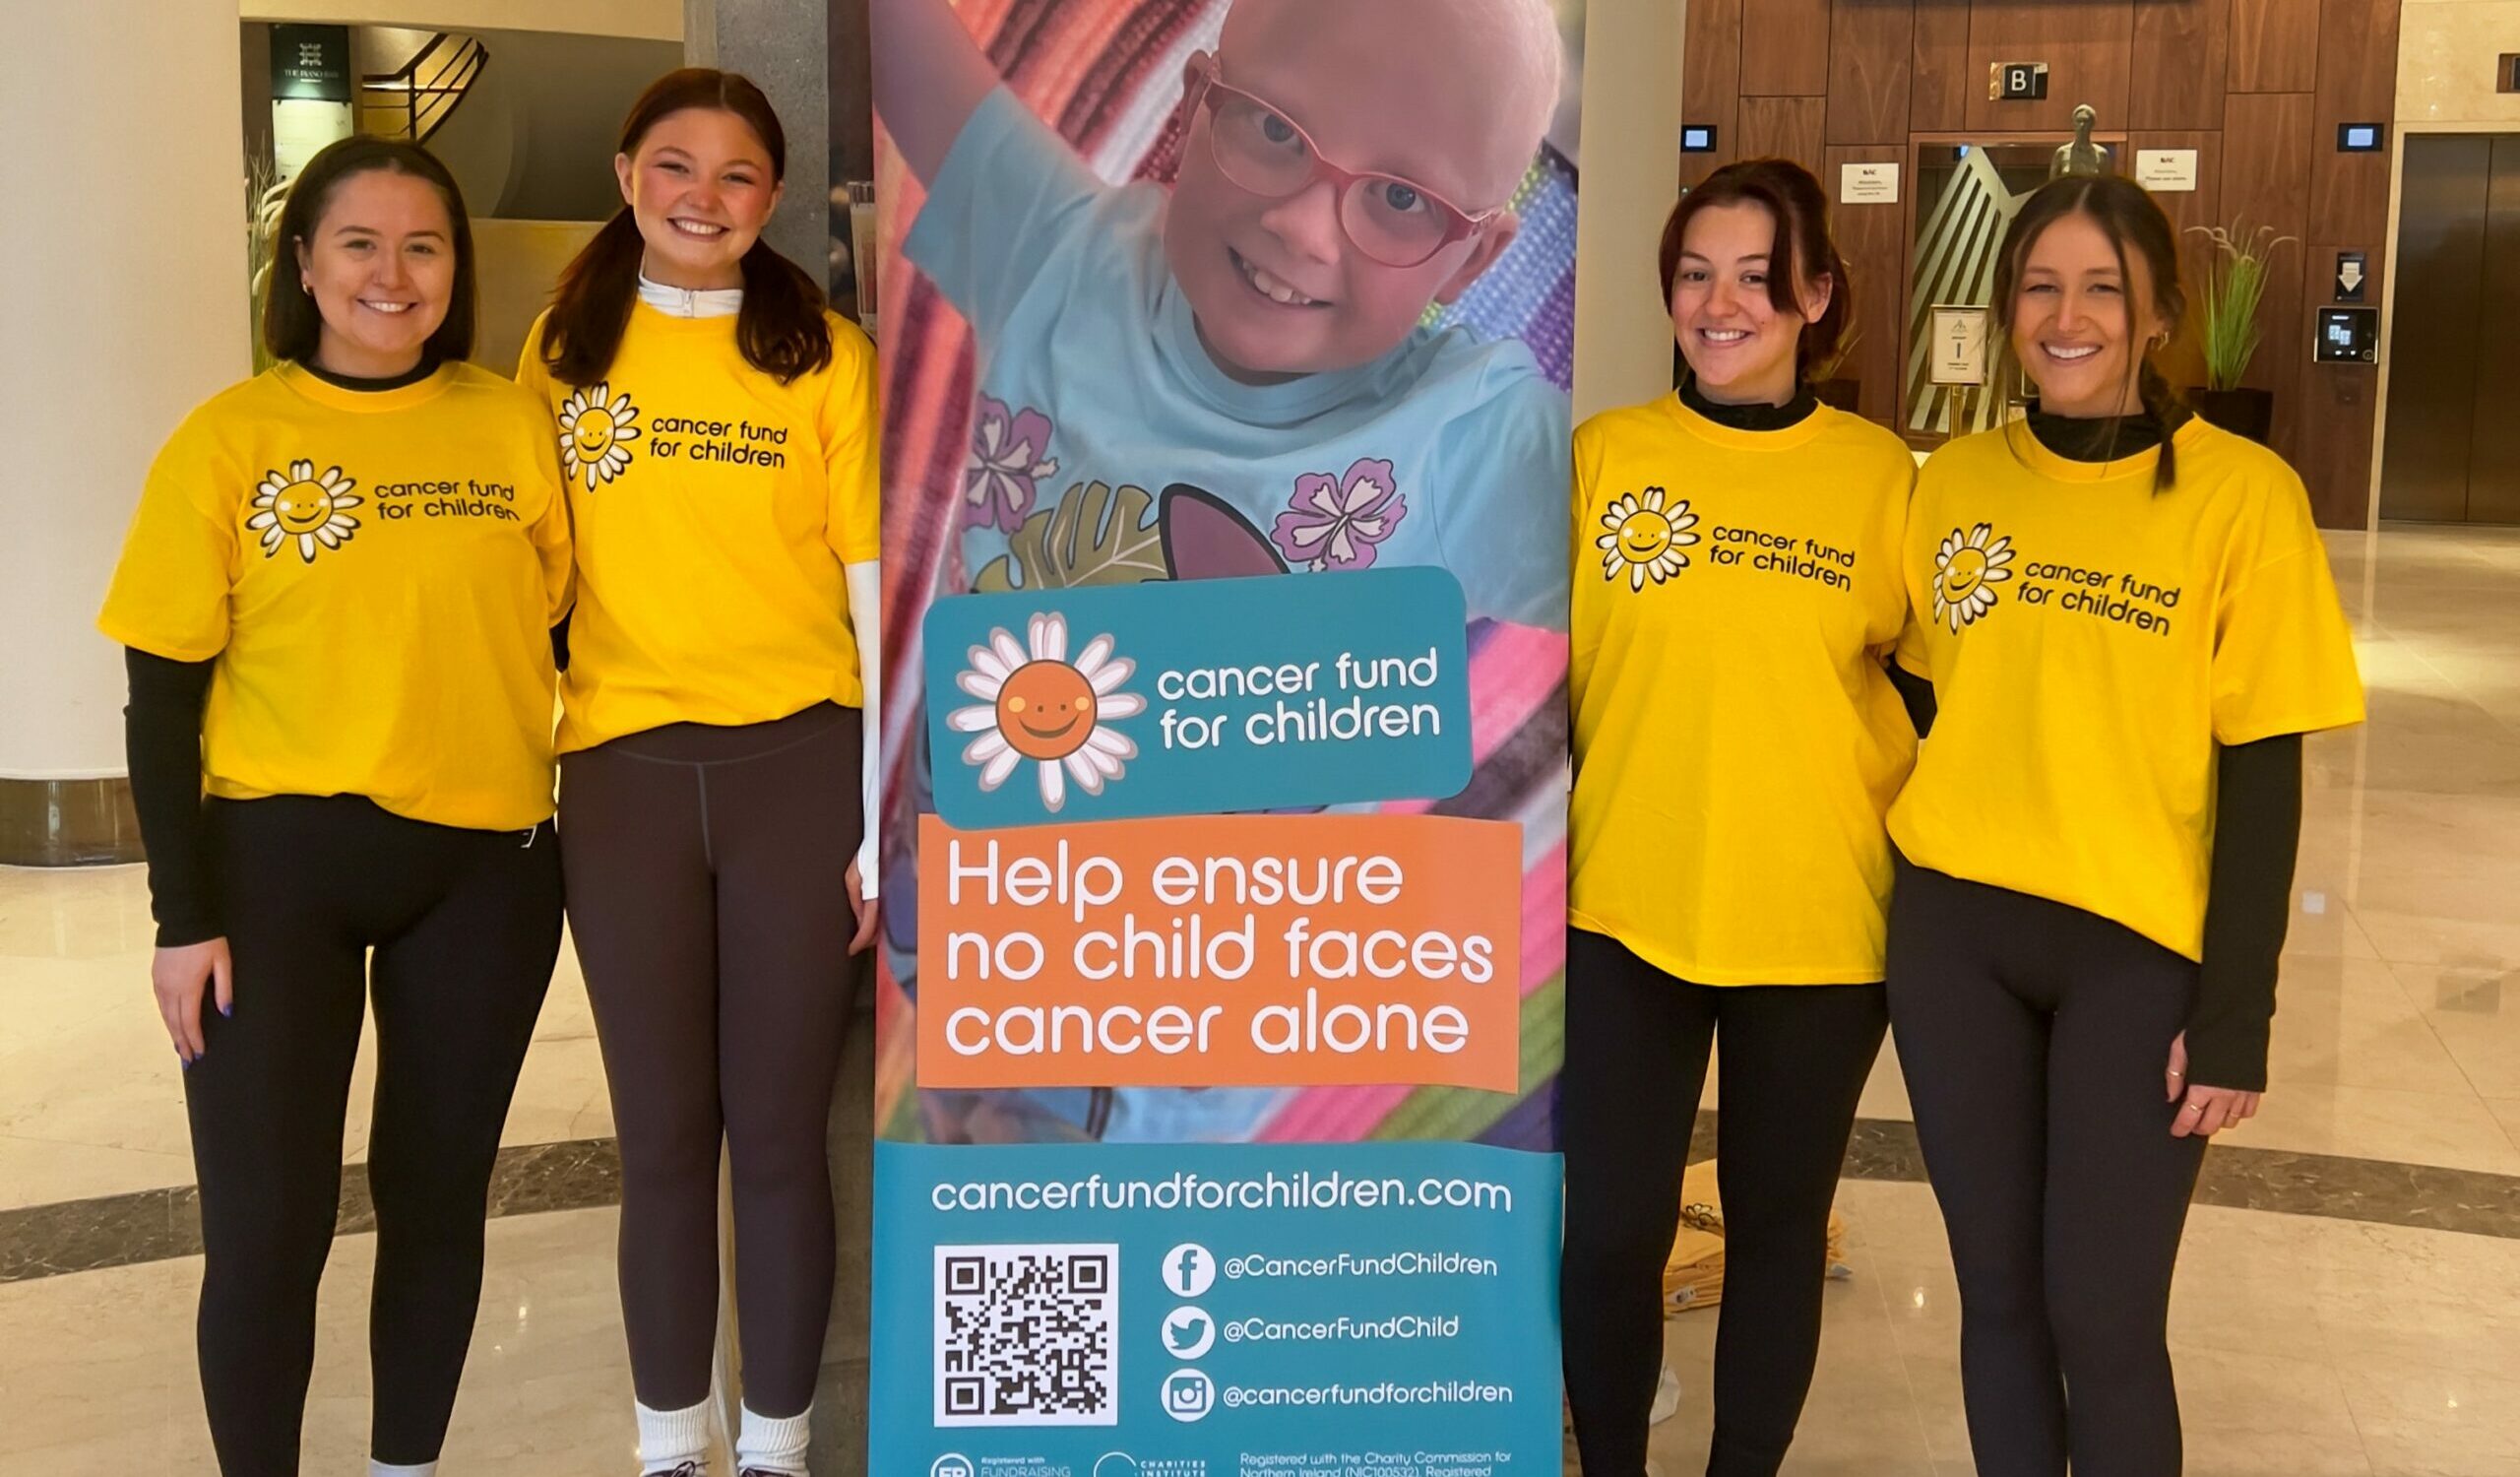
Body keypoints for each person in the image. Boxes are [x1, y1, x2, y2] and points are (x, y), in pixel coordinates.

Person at [97, 136, 570, 1477]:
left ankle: (402, 1468)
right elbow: (159, 706)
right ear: (301, 264)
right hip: (273, 871)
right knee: (266, 1230)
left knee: (437, 1209)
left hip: (487, 870)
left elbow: (562, 628)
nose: (393, 274)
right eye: (358, 243)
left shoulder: (507, 421)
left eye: (424, 247)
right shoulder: (231, 439)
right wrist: (180, 917)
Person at [1886, 173, 2364, 1476]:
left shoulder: (2243, 497)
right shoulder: (1954, 484)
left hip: (2136, 947)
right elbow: (1925, 694)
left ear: (2158, 315)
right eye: (2040, 285)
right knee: (1995, 1296)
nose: (2068, 315)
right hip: (1953, 934)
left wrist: (2237, 1015)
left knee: (2101, 1313)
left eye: (2104, 287)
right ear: (2005, 309)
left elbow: (2266, 770)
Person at [514, 68, 880, 1477]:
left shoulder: (822, 353)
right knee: (661, 1137)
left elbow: (867, 589)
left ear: (771, 198)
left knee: (780, 1135)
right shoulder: (563, 350)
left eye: (737, 176)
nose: (704, 198)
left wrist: (877, 818)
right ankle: (671, 1441)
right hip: (623, 778)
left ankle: (777, 1442)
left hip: (801, 766)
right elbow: (531, 582)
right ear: (625, 176)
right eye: (676, 167)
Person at [1559, 160, 1922, 1477]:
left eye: (1759, 278)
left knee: (1778, 1229)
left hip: (1818, 927)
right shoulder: (1605, 457)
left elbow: (1946, 703)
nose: (1722, 303)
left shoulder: (1885, 480)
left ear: (1818, 296)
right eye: (1696, 273)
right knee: (1607, 1233)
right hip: (1622, 910)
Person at [870, 0, 1570, 627]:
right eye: (1273, 128)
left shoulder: (1470, 452)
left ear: (1472, 261)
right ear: (1193, 104)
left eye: (1400, 200)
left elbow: (1671, 544)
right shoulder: (1058, 259)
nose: (1302, 228)